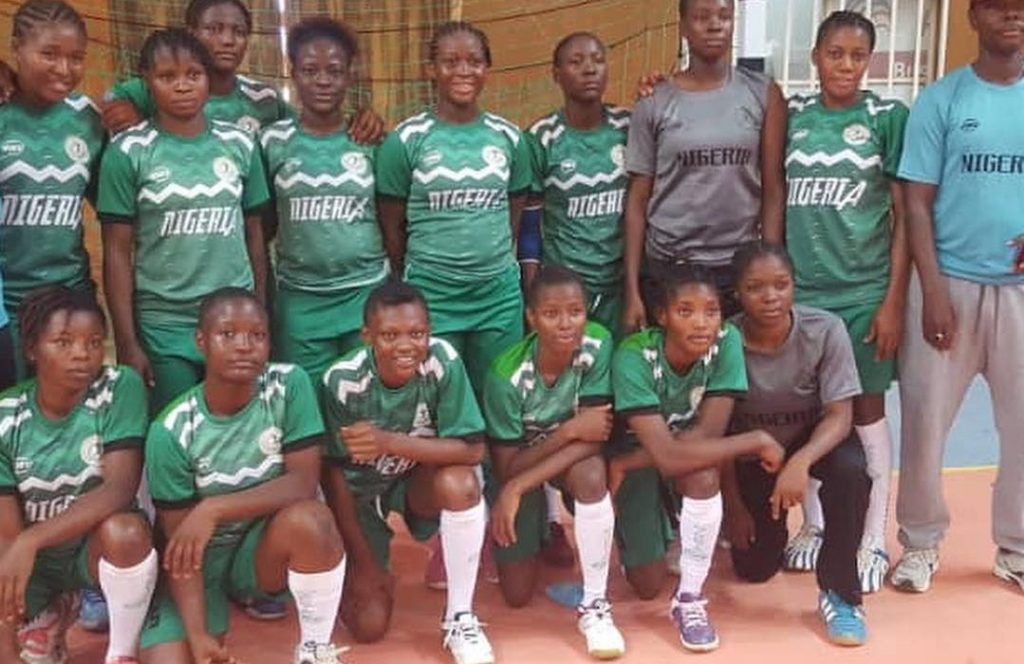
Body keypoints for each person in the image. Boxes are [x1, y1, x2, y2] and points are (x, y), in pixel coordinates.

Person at [891, 0, 1024, 594]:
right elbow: (915, 201)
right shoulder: (943, 100)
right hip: (949, 286)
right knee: (924, 424)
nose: (1013, 19)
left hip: (1019, 291)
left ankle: (1016, 548)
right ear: (975, 17)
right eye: (1000, 9)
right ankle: (919, 545)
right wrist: (934, 288)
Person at [140, 288, 346, 664]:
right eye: (227, 334)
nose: (244, 345)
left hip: (259, 549)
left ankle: (315, 649)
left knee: (313, 520)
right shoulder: (170, 431)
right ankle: (208, 615)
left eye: (258, 335)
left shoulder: (289, 385)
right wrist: (199, 635)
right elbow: (182, 549)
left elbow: (303, 482)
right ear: (201, 342)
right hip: (202, 563)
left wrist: (213, 508)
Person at [780, 11, 909, 595]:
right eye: (836, 54)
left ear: (870, 61)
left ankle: (872, 536)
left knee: (865, 414)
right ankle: (815, 522)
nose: (846, 66)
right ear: (815, 55)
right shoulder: (795, 116)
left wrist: (892, 301)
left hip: (863, 294)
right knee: (809, 413)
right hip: (803, 296)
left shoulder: (886, 118)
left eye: (859, 56)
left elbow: (906, 215)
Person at [608, 267, 783, 652]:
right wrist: (752, 440)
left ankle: (689, 599)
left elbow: (707, 437)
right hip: (636, 457)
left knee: (704, 476)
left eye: (711, 311)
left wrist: (639, 459)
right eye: (686, 311)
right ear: (662, 316)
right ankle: (653, 525)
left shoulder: (726, 341)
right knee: (646, 583)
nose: (702, 323)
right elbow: (669, 457)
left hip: (650, 458)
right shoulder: (634, 355)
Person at [97, 28, 269, 415]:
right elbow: (117, 251)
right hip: (164, 322)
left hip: (232, 315)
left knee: (234, 427)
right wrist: (126, 341)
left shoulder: (240, 143)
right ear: (146, 81)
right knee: (175, 428)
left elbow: (256, 237)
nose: (182, 86)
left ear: (208, 78)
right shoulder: (127, 152)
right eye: (167, 76)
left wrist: (259, 311)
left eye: (193, 74)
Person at [320, 280, 493, 664]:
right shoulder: (341, 382)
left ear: (429, 332)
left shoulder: (441, 361)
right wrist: (364, 562)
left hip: (415, 481)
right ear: (367, 336)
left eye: (417, 334)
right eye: (389, 335)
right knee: (368, 627)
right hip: (361, 495)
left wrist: (388, 442)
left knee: (462, 483)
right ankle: (369, 568)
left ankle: (461, 615)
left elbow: (473, 448)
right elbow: (331, 478)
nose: (405, 345)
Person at [722, 243, 871, 646]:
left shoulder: (825, 330)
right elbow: (716, 433)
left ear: (794, 286)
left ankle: (841, 593)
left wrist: (799, 464)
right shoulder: (724, 340)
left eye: (781, 285)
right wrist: (733, 507)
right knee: (755, 568)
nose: (770, 296)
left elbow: (840, 416)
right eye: (755, 287)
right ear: (737, 292)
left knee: (852, 470)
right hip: (753, 452)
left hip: (812, 441)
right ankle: (762, 530)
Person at [0, 286, 157, 663]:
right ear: (32, 350)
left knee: (127, 531)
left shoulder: (118, 387)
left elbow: (119, 488)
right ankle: (45, 614)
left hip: (91, 549)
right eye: (63, 342)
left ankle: (122, 652)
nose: (81, 355)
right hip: (34, 559)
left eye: (93, 343)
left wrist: (32, 539)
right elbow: (7, 535)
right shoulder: (7, 416)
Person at [375, 20, 532, 395]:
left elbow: (514, 211)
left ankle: (494, 458)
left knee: (498, 394)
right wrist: (412, 274)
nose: (463, 71)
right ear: (432, 70)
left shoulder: (509, 137)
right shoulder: (406, 140)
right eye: (450, 61)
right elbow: (392, 224)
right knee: (438, 395)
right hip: (432, 295)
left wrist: (489, 258)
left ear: (487, 70)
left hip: (497, 296)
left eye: (474, 61)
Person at [484, 266, 624, 660]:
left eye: (575, 311)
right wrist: (567, 431)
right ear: (531, 317)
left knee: (592, 474)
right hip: (523, 465)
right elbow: (509, 467)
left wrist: (520, 485)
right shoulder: (505, 375)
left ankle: (595, 605)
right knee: (515, 594)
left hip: (563, 464)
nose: (566, 324)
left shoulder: (598, 344)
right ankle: (543, 529)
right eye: (551, 313)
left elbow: (596, 438)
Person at [622, 0, 786, 329]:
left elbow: (773, 188)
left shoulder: (762, 93)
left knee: (735, 375)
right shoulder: (655, 100)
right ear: (682, 27)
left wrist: (768, 265)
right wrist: (631, 291)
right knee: (676, 375)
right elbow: (638, 200)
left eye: (724, 16)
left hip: (738, 268)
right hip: (670, 267)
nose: (714, 25)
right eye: (701, 17)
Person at [261, 17, 389, 385]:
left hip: (365, 294)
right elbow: (265, 222)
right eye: (310, 70)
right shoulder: (271, 143)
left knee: (362, 404)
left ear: (349, 75)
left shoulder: (370, 139)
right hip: (300, 300)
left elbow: (390, 216)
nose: (322, 80)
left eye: (334, 70)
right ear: (292, 73)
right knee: (309, 408)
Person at [0, 0, 104, 379]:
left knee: (74, 409)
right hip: (9, 304)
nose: (64, 69)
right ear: (16, 48)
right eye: (49, 54)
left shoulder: (87, 119)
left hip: (71, 297)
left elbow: (109, 207)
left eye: (76, 57)